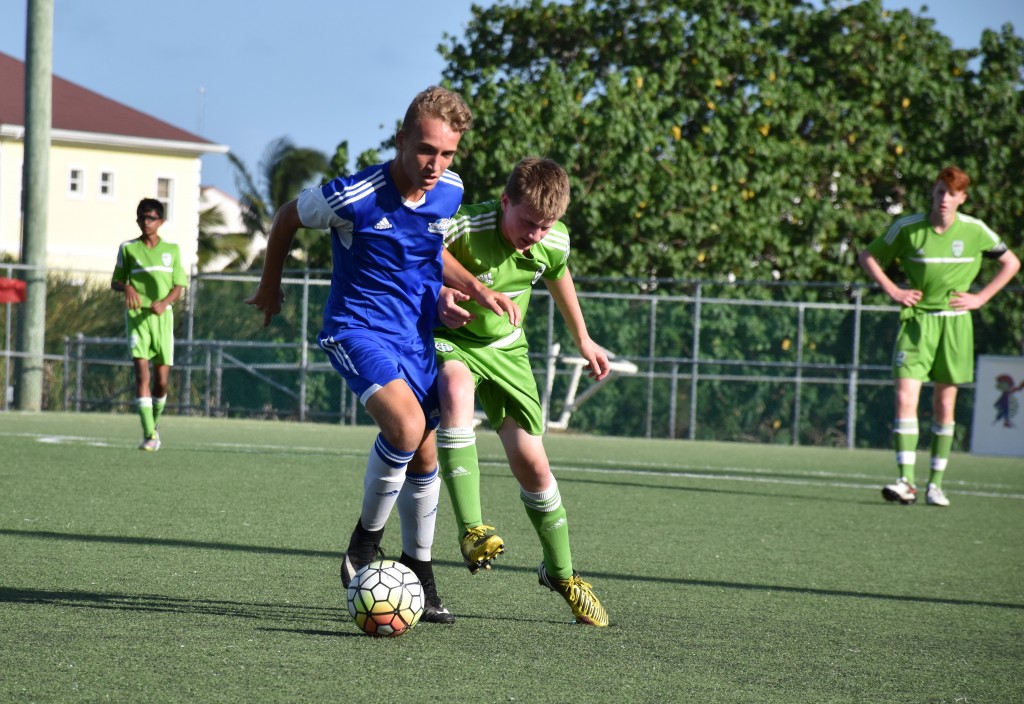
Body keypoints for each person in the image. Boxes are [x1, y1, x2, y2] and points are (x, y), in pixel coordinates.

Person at [245, 86, 511, 624]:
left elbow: (430, 250)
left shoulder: (450, 191)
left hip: (415, 337)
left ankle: (420, 573)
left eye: (447, 154)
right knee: (407, 429)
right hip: (356, 330)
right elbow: (285, 217)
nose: (436, 164)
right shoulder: (353, 195)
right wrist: (271, 284)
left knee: (427, 455)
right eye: (425, 150)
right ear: (400, 139)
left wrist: (472, 292)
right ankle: (363, 546)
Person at [434, 157, 612, 626]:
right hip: (451, 341)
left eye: (545, 226)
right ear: (505, 201)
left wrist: (584, 338)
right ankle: (472, 530)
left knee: (534, 466)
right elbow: (420, 255)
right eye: (528, 223)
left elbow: (559, 274)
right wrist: (439, 295)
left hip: (508, 352)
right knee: (454, 388)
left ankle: (563, 576)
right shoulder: (464, 226)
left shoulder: (552, 237)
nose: (535, 234)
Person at [858, 166, 1020, 507]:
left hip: (955, 325)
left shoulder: (975, 231)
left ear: (962, 198)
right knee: (905, 399)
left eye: (951, 193)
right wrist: (892, 290)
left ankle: (935, 484)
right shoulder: (909, 228)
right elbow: (868, 255)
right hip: (917, 323)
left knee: (944, 404)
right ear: (932, 195)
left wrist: (981, 298)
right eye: (938, 192)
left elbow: (1011, 263)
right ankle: (906, 482)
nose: (943, 199)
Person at [111, 198, 187, 451]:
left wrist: (165, 302)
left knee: (161, 382)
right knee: (142, 374)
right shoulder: (128, 249)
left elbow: (179, 286)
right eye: (143, 217)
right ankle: (149, 435)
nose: (146, 222)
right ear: (137, 220)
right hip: (137, 319)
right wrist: (128, 287)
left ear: (161, 221)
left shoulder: (172, 250)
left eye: (151, 218)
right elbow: (116, 281)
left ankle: (153, 426)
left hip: (162, 320)